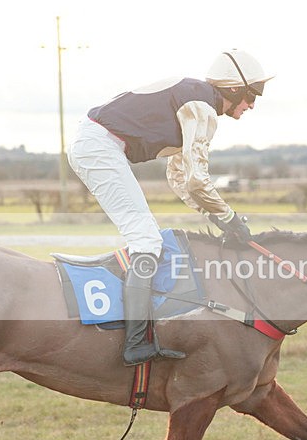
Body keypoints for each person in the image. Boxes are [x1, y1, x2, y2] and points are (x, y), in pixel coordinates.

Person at [67, 49, 273, 366]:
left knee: (148, 239)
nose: (252, 105)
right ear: (234, 88)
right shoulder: (201, 105)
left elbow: (178, 177)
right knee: (147, 240)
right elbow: (195, 178)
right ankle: (136, 343)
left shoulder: (197, 101)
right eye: (251, 95)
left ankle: (138, 335)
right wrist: (228, 217)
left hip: (98, 143)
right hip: (100, 146)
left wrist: (218, 219)